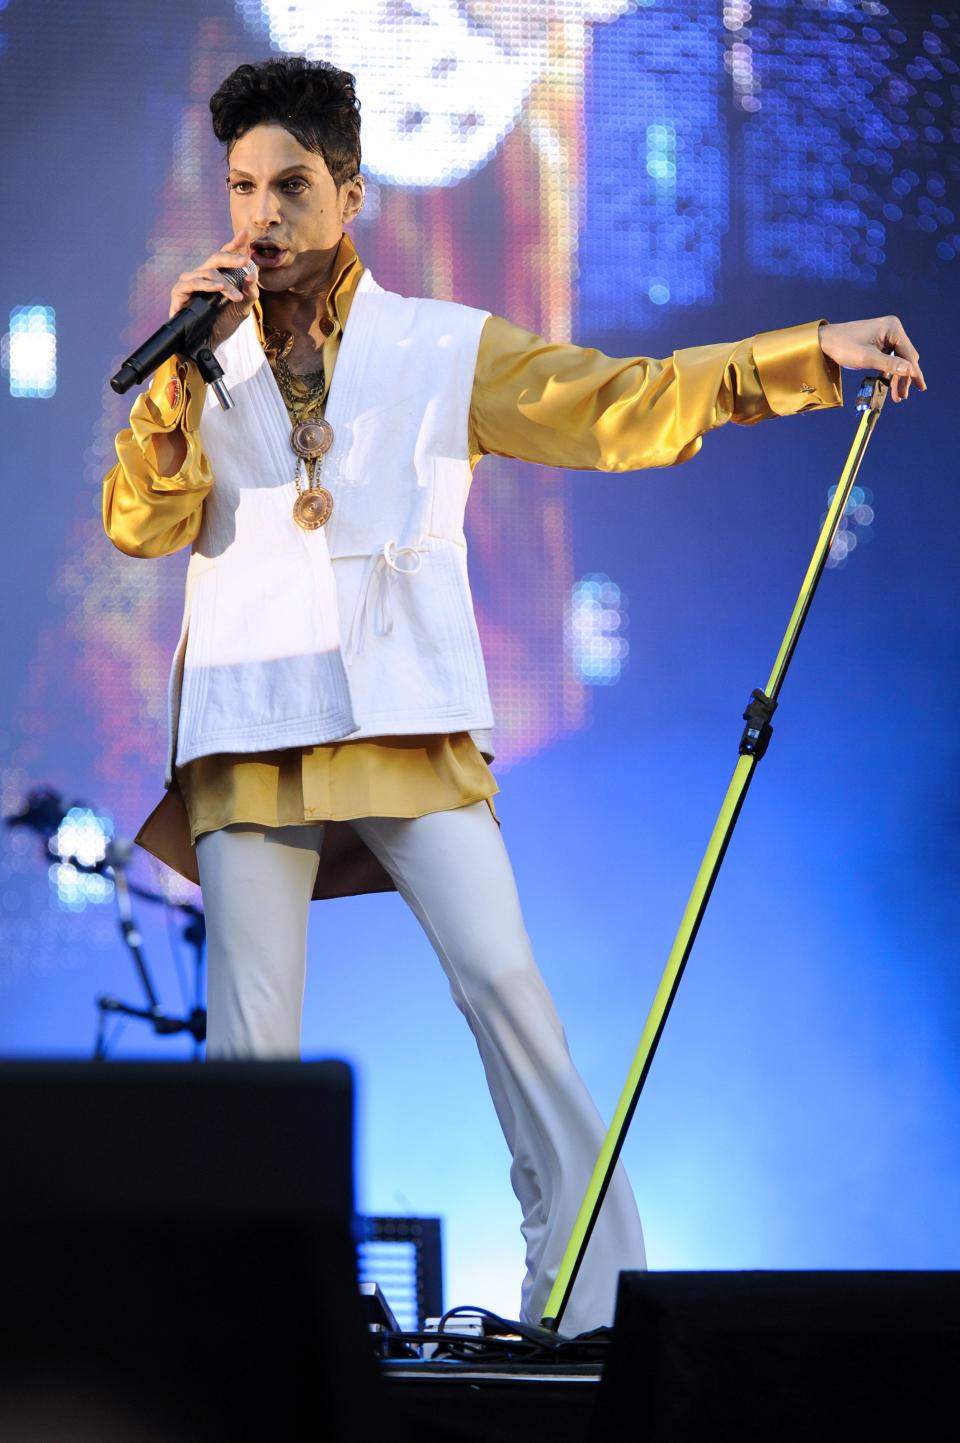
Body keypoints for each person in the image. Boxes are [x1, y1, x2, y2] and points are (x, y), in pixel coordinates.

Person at [102, 56, 925, 1337]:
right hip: (247, 733)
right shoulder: (197, 364)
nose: (260, 214)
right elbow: (139, 525)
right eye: (243, 187)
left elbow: (624, 408)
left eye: (292, 187)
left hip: (407, 721)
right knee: (248, 1051)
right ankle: (249, 1324)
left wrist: (807, 355)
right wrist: (174, 377)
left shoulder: (441, 347)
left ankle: (594, 1309)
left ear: (352, 194)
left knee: (508, 994)